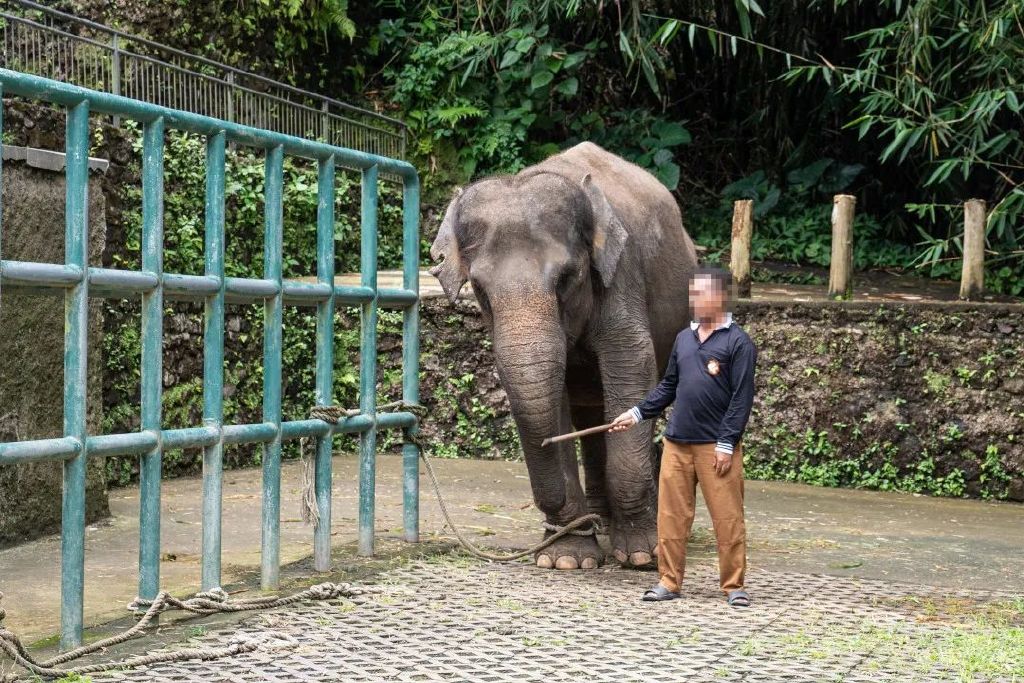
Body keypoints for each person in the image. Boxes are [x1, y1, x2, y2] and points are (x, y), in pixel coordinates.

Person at [610, 266, 757, 607]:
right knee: (671, 518)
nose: (694, 300)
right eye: (693, 294)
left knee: (727, 518)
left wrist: (726, 443)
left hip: (716, 448)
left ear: (720, 297)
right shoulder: (683, 338)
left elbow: (741, 399)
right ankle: (669, 581)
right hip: (677, 444)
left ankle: (734, 585)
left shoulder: (738, 342)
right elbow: (668, 387)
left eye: (701, 294)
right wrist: (635, 414)